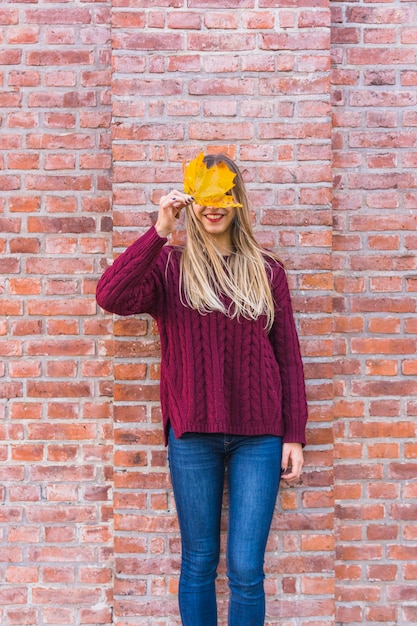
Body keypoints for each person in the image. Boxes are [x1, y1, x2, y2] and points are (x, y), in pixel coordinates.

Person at [96, 152, 308, 626]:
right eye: (205, 198)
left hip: (260, 436)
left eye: (223, 198)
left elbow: (288, 355)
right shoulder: (170, 268)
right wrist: (158, 230)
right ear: (191, 202)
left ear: (237, 202)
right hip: (192, 434)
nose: (214, 208)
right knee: (198, 563)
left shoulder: (267, 270)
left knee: (247, 570)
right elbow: (110, 295)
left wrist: (293, 433)